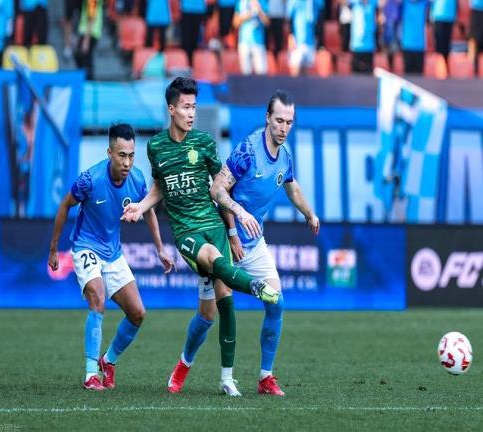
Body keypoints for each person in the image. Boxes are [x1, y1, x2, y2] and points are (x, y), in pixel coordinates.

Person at [121, 77, 280, 397]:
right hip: (186, 232)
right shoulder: (156, 147)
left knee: (215, 309)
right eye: (186, 107)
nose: (191, 113)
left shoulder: (205, 143)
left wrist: (232, 232)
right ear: (171, 109)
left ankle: (221, 377)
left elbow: (221, 189)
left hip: (214, 225)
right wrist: (140, 206)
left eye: (194, 107)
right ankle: (253, 286)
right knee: (211, 258)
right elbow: (160, 187)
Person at [48, 123, 174, 391]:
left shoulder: (137, 179)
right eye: (122, 155)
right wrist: (54, 248)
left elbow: (148, 211)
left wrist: (160, 249)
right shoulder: (90, 180)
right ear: (109, 153)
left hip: (113, 254)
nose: (127, 162)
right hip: (85, 247)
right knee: (98, 298)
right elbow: (64, 205)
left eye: (131, 155)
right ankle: (90, 374)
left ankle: (109, 360)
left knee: (138, 313)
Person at [210, 89, 320, 396]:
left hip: (254, 242)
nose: (284, 128)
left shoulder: (285, 156)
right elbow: (218, 190)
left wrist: (309, 213)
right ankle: (204, 373)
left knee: (276, 302)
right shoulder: (248, 150)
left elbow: (291, 187)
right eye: (279, 121)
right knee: (209, 314)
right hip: (224, 239)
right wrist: (234, 228)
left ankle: (265, 377)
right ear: (267, 118)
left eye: (289, 122)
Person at [233, 0, 270, 75]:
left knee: (262, 74)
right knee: (245, 74)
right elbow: (235, 23)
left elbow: (267, 22)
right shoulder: (241, 2)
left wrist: (259, 11)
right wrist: (246, 16)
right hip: (244, 42)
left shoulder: (262, 2)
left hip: (258, 42)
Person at [287, 0, 322, 76]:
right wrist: (291, 37)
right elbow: (289, 19)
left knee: (307, 71)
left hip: (311, 41)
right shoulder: (294, 1)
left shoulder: (316, 2)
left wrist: (318, 39)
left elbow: (319, 20)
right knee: (296, 69)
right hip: (297, 41)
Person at [74, 0, 102, 80]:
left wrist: (86, 39)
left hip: (90, 32)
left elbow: (91, 18)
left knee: (86, 60)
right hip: (88, 32)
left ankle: (88, 81)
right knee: (81, 56)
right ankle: (85, 79)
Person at [349, 0, 380, 74]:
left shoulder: (373, 2)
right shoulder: (355, 2)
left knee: (368, 76)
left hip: (369, 47)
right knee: (355, 76)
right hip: (356, 46)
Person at [400, 0, 429, 74]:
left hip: (420, 47)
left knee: (419, 77)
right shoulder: (405, 3)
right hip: (407, 46)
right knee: (408, 77)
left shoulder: (424, 3)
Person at [430, 0, 456, 65]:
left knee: (446, 46)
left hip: (450, 17)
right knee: (439, 45)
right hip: (438, 16)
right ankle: (440, 66)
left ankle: (445, 66)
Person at [468, 0, 483, 75]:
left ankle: (475, 69)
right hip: (476, 9)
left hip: (477, 9)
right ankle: (475, 69)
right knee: (475, 40)